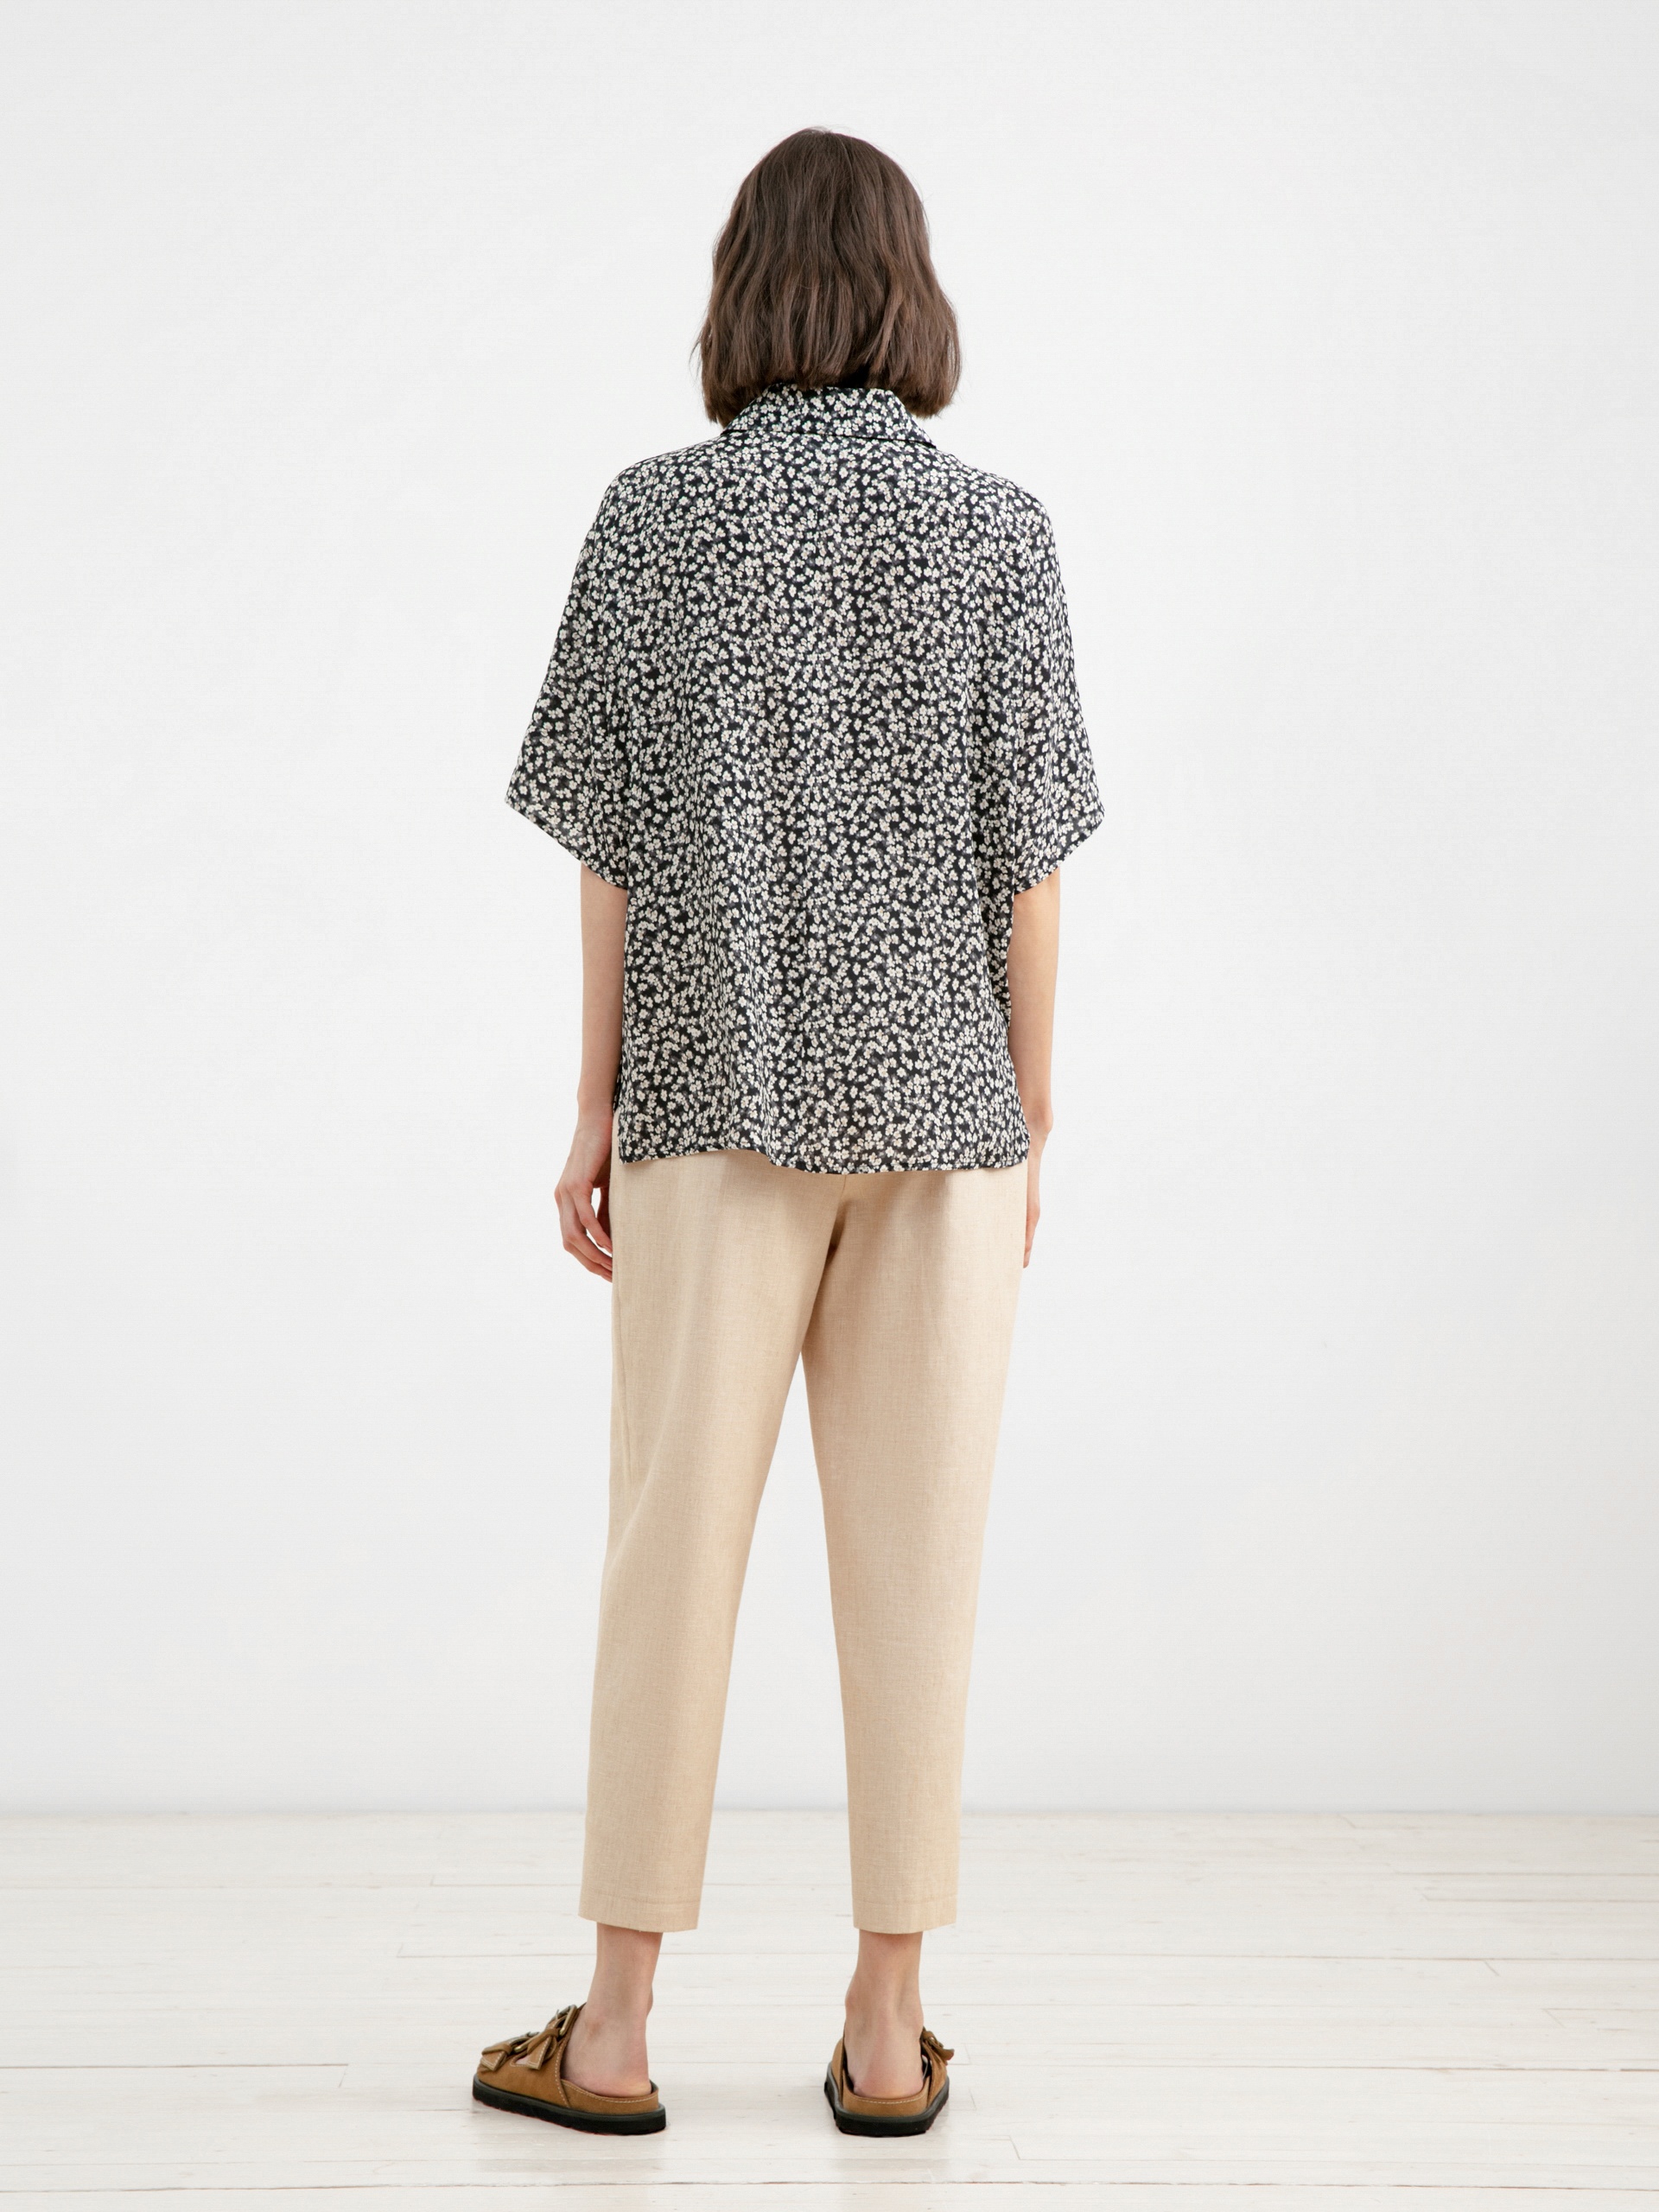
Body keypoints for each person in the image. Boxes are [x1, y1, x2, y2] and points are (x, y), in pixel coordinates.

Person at [473, 127, 1102, 2140]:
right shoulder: (1000, 533)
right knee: (920, 1567)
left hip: (710, 1105)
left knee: (670, 1547)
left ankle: (617, 2029)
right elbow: (1031, 867)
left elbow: (611, 854)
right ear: (912, 292)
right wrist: (1031, 1111)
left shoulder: (654, 521)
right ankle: (891, 2031)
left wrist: (593, 1099)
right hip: (945, 1118)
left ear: (742, 291)